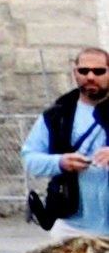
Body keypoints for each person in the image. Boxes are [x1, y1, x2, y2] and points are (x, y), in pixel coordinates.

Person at [27, 52, 109, 233]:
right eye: (84, 71)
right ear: (75, 73)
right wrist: (60, 162)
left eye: (99, 71)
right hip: (70, 225)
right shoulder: (57, 115)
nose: (90, 77)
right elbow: (30, 158)